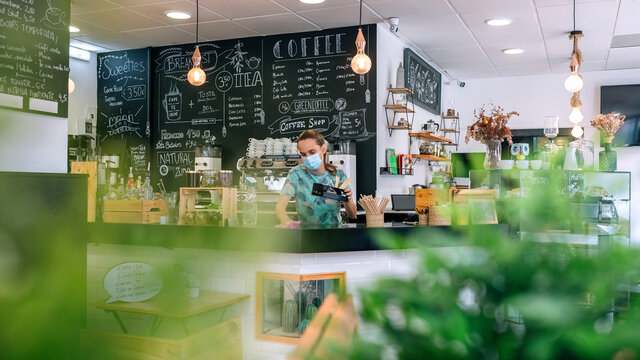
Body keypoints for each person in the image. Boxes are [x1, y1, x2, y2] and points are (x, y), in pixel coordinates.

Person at [276, 130, 357, 228]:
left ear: (323, 149)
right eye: (303, 154)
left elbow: (352, 215)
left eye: (312, 152)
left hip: (334, 234)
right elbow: (280, 206)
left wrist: (348, 199)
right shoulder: (296, 174)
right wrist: (286, 221)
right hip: (306, 235)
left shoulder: (337, 173)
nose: (308, 157)